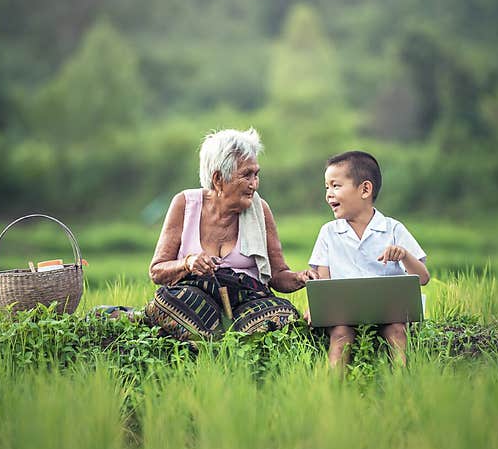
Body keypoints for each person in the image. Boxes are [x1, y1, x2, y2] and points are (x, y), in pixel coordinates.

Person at [145, 127, 318, 341]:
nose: (254, 184)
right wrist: (187, 263)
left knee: (284, 315)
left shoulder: (260, 209)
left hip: (247, 300)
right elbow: (157, 271)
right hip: (197, 299)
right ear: (218, 179)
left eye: (256, 174)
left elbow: (277, 275)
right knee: (170, 301)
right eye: (247, 175)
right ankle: (225, 341)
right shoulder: (185, 204)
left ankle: (213, 341)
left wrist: (300, 278)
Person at [306, 150, 430, 373]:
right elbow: (323, 281)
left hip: (390, 311)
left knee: (396, 332)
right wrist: (316, 306)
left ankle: (402, 386)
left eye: (336, 186)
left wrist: (404, 255)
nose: (329, 194)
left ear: (365, 189)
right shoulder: (328, 232)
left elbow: (423, 278)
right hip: (343, 312)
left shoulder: (393, 229)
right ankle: (332, 390)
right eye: (327, 187)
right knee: (340, 335)